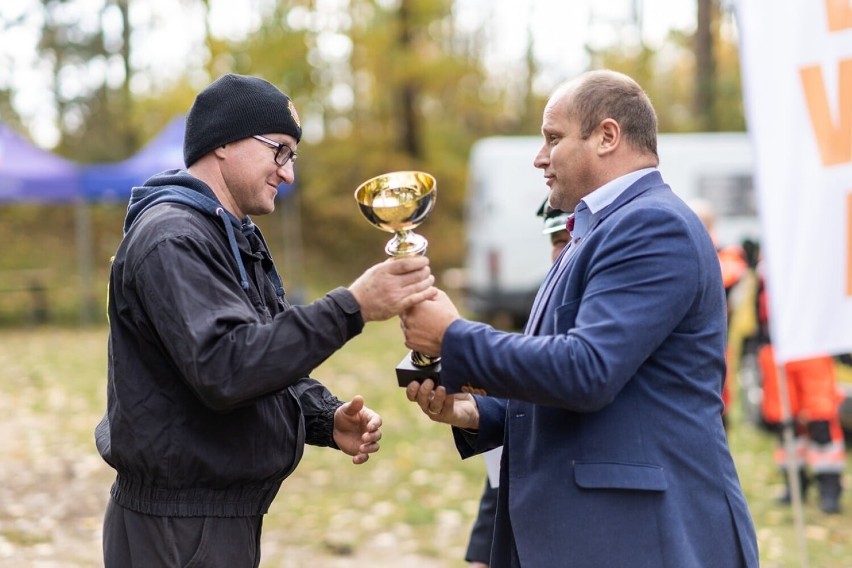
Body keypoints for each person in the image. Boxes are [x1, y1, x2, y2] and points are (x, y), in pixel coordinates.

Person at [400, 69, 759, 567]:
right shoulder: (595, 229)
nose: (539, 158)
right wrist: (474, 412)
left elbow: (586, 371)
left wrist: (453, 337)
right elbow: (588, 386)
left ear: (607, 136)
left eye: (553, 138)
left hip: (639, 537)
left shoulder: (653, 225)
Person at [94, 73, 436, 568]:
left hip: (215, 522)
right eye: (279, 150)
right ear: (224, 144)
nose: (288, 173)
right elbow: (226, 367)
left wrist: (323, 418)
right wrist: (353, 306)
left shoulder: (230, 235)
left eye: (292, 155)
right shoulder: (174, 238)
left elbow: (262, 354)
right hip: (176, 533)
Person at [465, 204, 571, 568]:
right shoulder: (547, 312)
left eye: (574, 239)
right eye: (558, 241)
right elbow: (508, 448)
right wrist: (484, 546)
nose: (565, 251)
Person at [754, 262, 845, 514]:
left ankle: (830, 487)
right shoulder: (768, 261)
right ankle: (795, 484)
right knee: (785, 422)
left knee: (821, 419)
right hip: (776, 349)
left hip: (811, 346)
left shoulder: (810, 257)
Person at [689, 198, 749, 428]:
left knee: (717, 393)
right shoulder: (717, 253)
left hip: (716, 337)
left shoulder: (724, 254)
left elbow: (726, 278)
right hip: (708, 337)